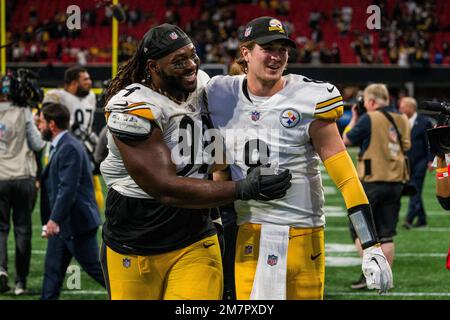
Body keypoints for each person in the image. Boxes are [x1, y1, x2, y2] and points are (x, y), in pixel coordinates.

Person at [204, 16, 392, 300]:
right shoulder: (219, 92)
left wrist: (371, 244)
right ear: (246, 52)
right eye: (267, 48)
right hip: (249, 232)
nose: (276, 56)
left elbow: (346, 177)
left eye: (283, 49)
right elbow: (218, 167)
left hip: (303, 233)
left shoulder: (309, 97)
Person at [99, 23, 291, 300]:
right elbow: (165, 188)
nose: (191, 65)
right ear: (153, 67)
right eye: (179, 61)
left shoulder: (200, 83)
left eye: (192, 55)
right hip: (137, 232)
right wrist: (244, 188)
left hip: (195, 229)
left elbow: (216, 141)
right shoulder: (132, 107)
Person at [343, 83, 410, 289]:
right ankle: (385, 280)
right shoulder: (402, 118)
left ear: (371, 102)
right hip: (396, 181)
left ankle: (370, 277)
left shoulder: (369, 118)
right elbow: (406, 146)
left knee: (361, 230)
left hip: (372, 182)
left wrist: (354, 117)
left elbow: (347, 139)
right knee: (386, 232)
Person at [37, 103, 105, 300]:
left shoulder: (69, 147)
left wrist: (53, 220)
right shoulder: (64, 145)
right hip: (64, 227)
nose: (39, 126)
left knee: (101, 273)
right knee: (52, 275)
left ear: (51, 124)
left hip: (77, 225)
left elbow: (68, 189)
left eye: (41, 121)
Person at [0, 74, 45, 295]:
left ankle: (1, 270)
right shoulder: (24, 111)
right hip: (22, 176)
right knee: (22, 230)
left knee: (0, 229)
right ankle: (20, 283)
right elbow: (37, 144)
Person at [42, 66, 104, 211]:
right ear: (74, 83)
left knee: (92, 187)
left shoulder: (90, 97)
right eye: (85, 79)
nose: (90, 82)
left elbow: (90, 124)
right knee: (60, 186)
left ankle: (91, 215)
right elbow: (46, 116)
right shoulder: (58, 96)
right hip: (62, 147)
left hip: (84, 148)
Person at [399, 97, 434, 229]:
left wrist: (431, 160)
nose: (400, 109)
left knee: (415, 189)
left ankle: (409, 218)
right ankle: (422, 219)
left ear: (411, 108)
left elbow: (429, 143)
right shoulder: (400, 121)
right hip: (406, 163)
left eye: (402, 106)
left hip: (421, 161)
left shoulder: (424, 122)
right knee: (414, 190)